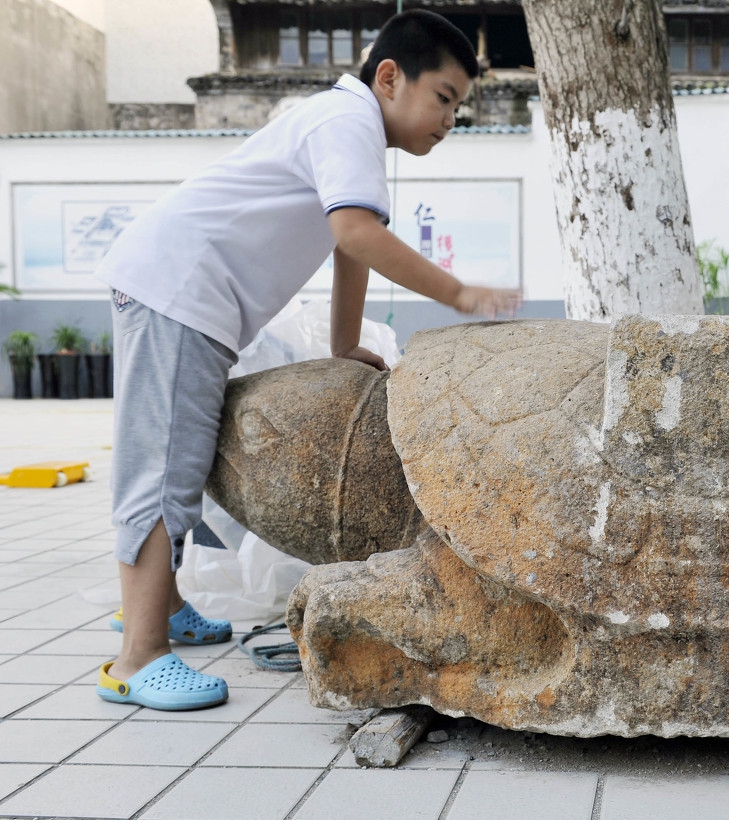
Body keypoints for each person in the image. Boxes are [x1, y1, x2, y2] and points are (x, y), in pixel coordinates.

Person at [93, 10, 520, 710]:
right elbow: (355, 231)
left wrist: (345, 345)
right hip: (176, 292)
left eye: (458, 107)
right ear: (390, 77)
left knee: (184, 457)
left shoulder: (349, 129)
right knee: (163, 466)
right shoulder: (345, 123)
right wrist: (458, 293)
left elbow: (351, 241)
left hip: (187, 296)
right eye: (444, 97)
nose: (450, 118)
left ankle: (164, 610)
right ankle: (137, 658)